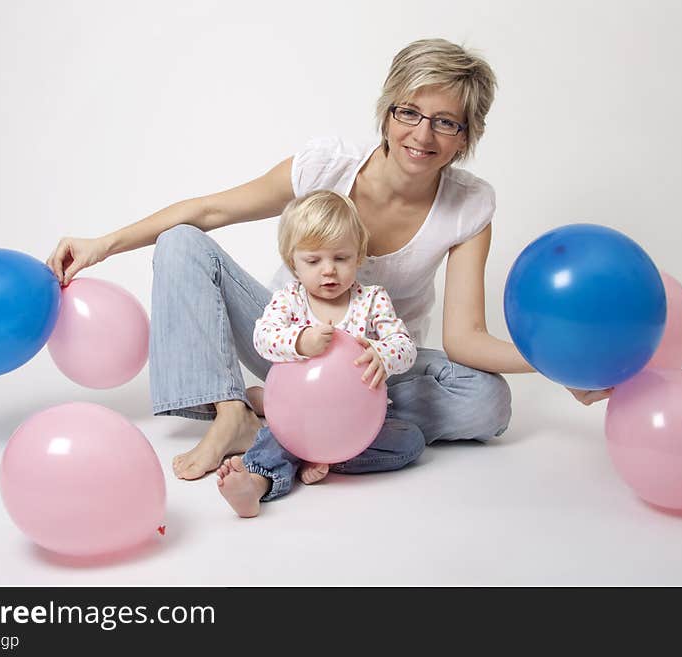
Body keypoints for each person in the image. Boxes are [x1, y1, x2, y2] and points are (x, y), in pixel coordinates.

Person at [46, 38, 610, 482]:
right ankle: (233, 412)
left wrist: (561, 364)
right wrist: (104, 243)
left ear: (467, 136)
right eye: (410, 112)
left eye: (447, 122)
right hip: (287, 339)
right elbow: (211, 210)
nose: (423, 134)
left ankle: (300, 425)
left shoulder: (469, 205)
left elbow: (464, 339)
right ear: (387, 112)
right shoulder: (328, 165)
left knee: (488, 402)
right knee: (182, 240)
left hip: (376, 365)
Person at [216, 190, 419, 517]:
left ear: (359, 256)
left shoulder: (371, 299)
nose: (329, 271)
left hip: (356, 420)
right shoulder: (289, 301)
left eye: (341, 258)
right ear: (292, 261)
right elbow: (262, 338)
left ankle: (322, 458)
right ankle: (255, 483)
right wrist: (299, 341)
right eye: (314, 260)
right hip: (297, 419)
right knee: (275, 440)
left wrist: (383, 353)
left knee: (411, 441)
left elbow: (405, 347)